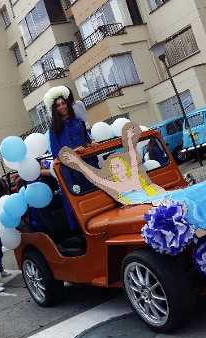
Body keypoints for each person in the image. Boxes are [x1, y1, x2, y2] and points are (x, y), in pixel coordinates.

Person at [61, 123, 168, 205]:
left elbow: (133, 156)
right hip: (137, 206)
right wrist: (77, 162)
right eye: (113, 168)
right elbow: (94, 177)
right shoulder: (117, 186)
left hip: (153, 199)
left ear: (125, 167)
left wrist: (130, 140)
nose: (117, 170)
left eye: (118, 166)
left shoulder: (134, 177)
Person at [44, 86, 92, 231]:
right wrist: (73, 151)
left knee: (93, 197)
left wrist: (91, 144)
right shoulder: (54, 130)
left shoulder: (78, 122)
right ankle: (81, 232)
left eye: (63, 103)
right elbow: (57, 155)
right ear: (54, 109)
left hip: (88, 166)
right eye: (58, 105)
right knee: (78, 202)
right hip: (70, 172)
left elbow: (87, 141)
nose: (62, 107)